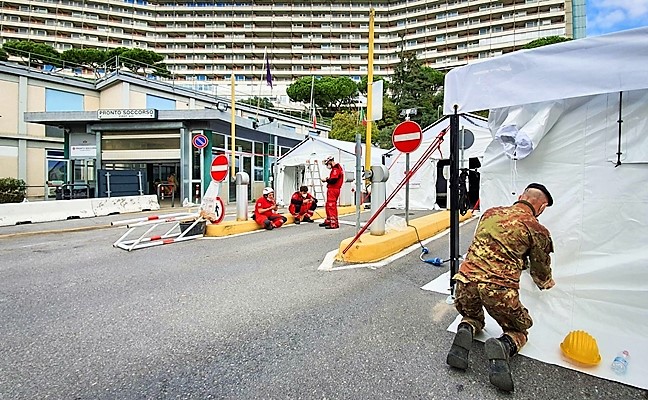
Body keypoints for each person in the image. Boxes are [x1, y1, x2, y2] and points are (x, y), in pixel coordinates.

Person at [446, 183, 555, 392]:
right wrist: (546, 282)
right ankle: (504, 345)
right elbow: (541, 272)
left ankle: (466, 328)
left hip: (464, 283)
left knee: (472, 315)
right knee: (520, 328)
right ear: (541, 208)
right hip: (498, 291)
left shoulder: (490, 213)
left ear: (522, 196)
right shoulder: (536, 229)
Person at [319, 155, 344, 229]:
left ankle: (333, 223)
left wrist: (326, 180)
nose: (327, 166)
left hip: (333, 189)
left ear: (330, 161)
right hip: (333, 189)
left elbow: (333, 180)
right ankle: (329, 220)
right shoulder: (336, 168)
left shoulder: (336, 169)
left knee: (331, 205)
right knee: (328, 205)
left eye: (327, 164)